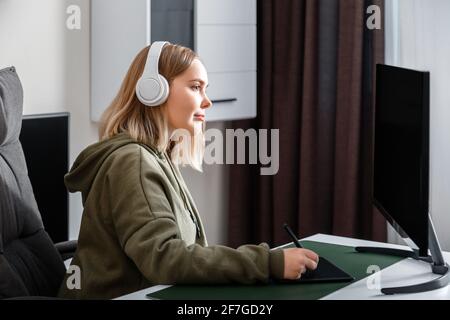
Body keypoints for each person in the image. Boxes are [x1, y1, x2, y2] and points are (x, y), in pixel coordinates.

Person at [58, 42, 319, 299]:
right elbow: (165, 258)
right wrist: (266, 263)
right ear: (153, 90)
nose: (207, 102)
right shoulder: (133, 161)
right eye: (196, 87)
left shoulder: (156, 156)